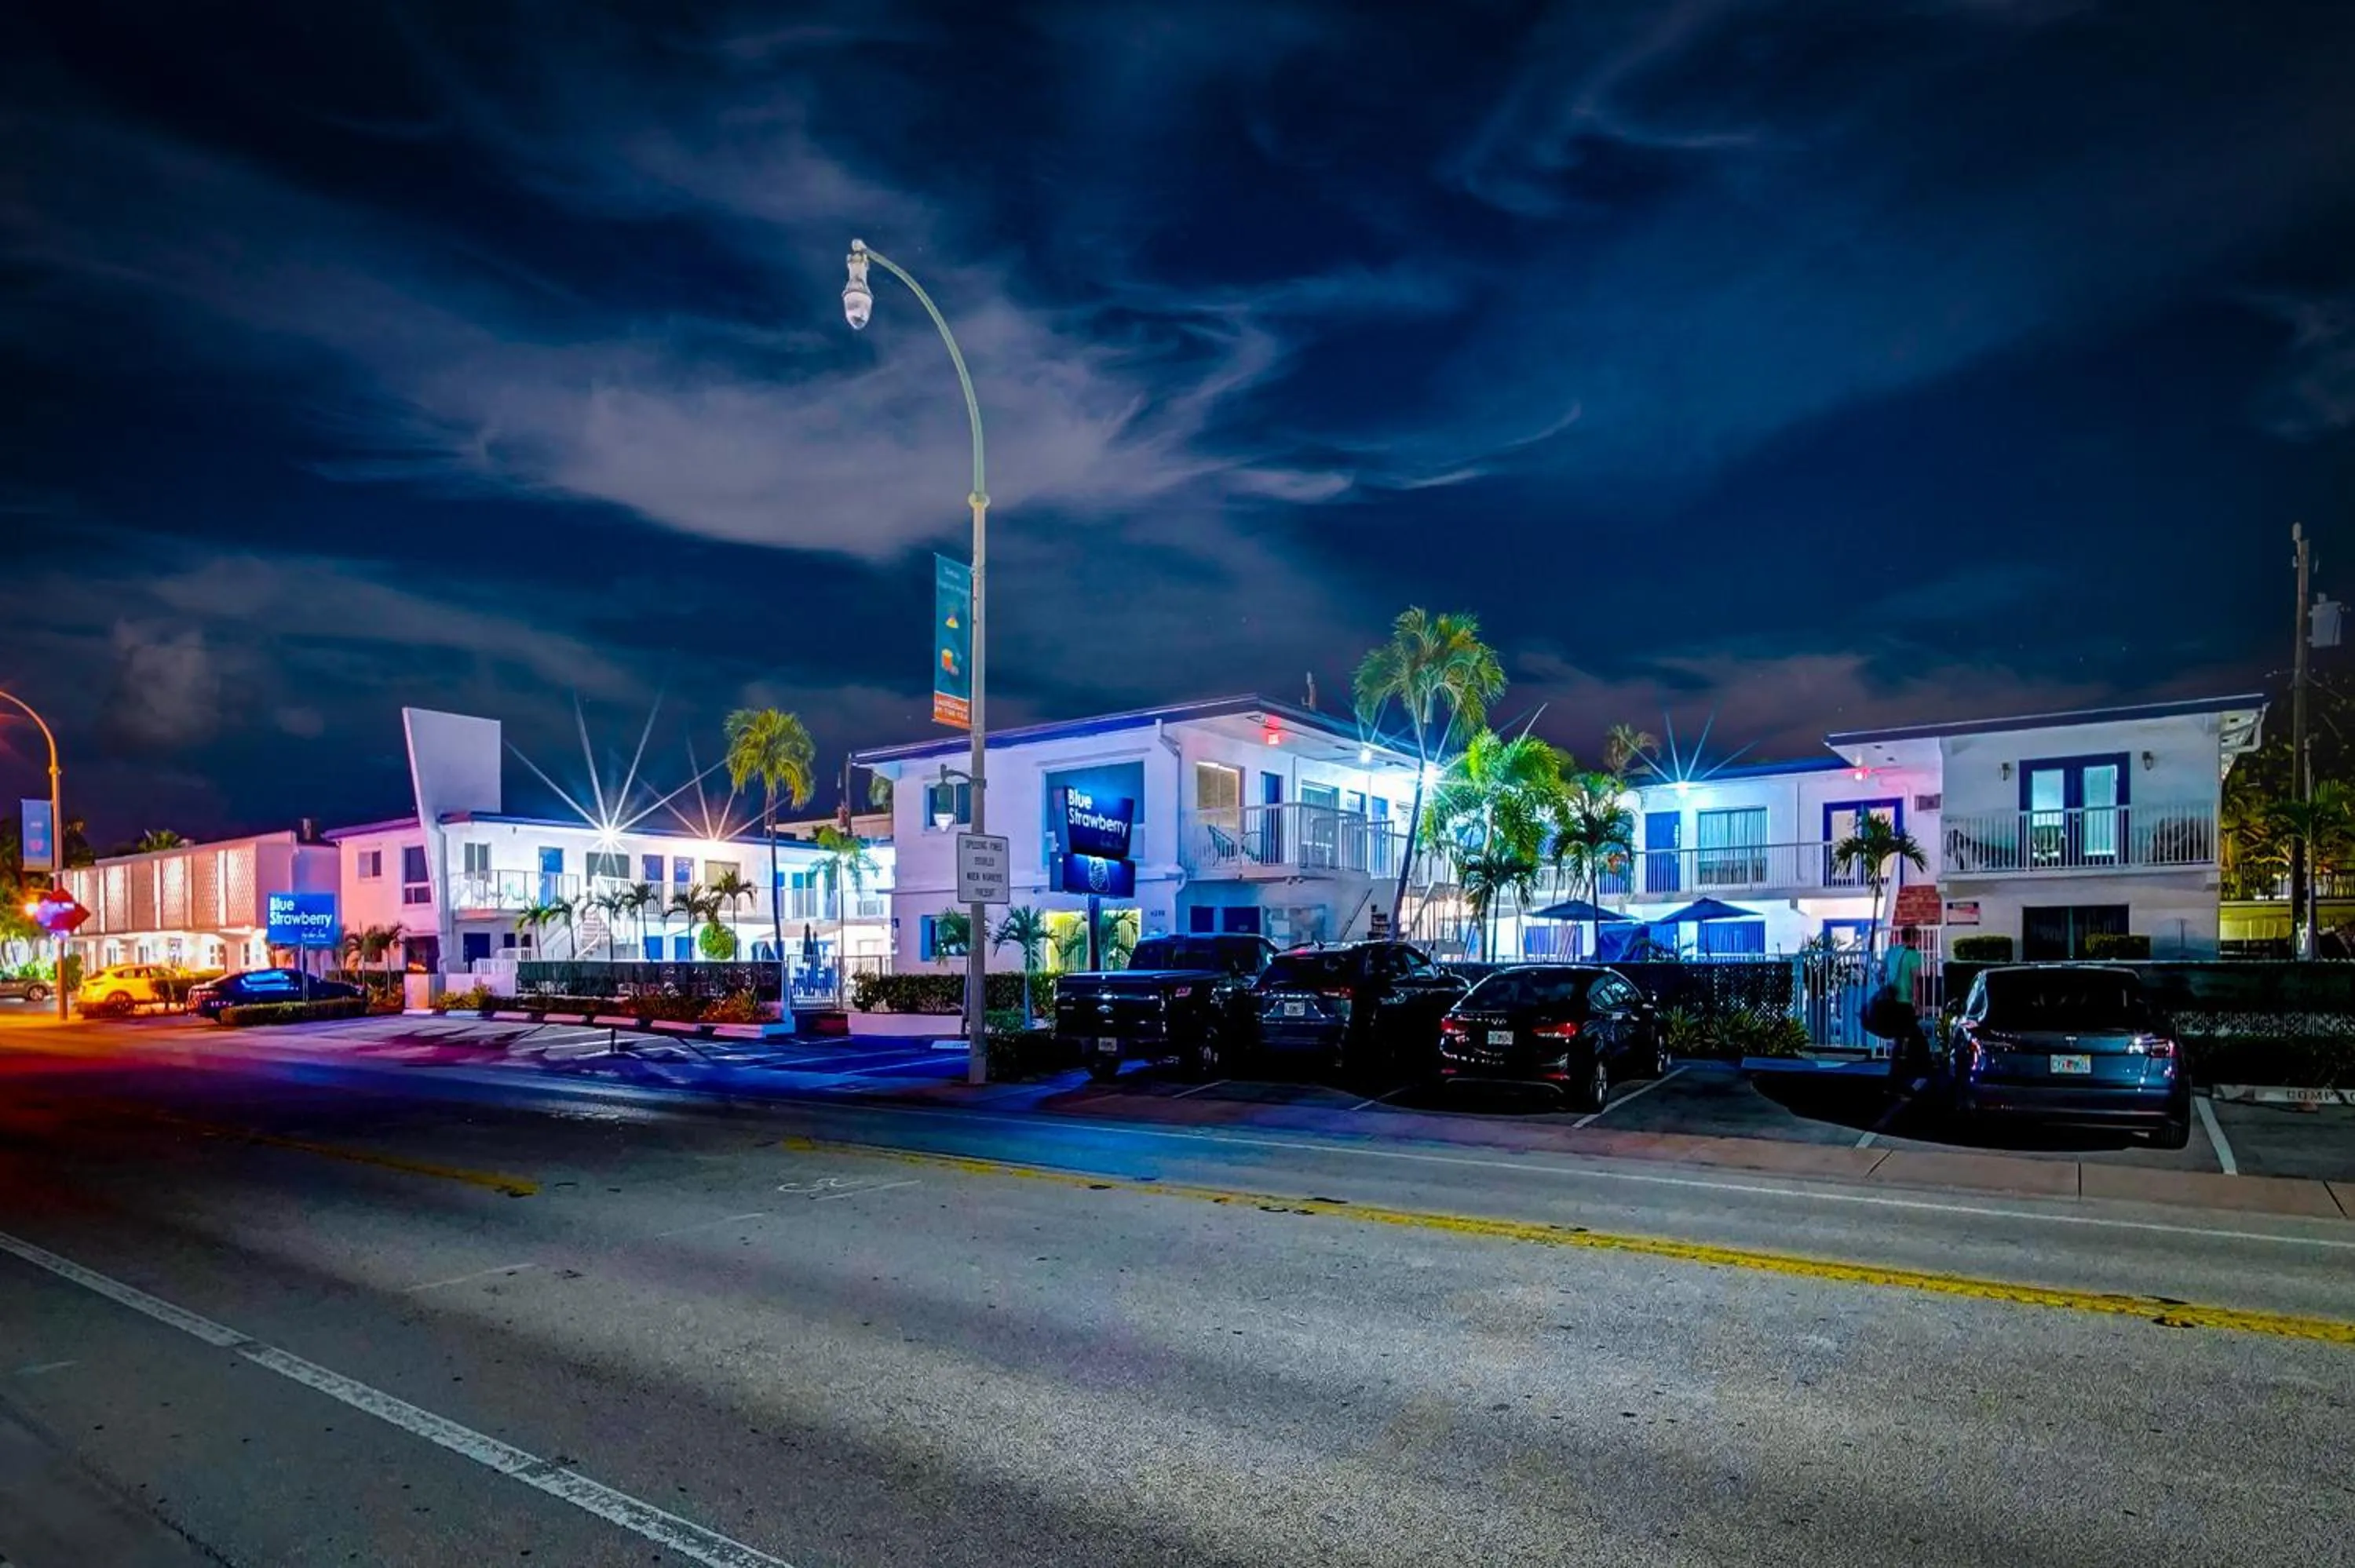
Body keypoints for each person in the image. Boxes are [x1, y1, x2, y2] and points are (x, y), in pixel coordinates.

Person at [1879, 925, 1929, 1080]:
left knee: (1902, 1037)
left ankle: (1900, 1073)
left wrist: (1884, 987)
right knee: (1906, 1037)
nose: (1920, 940)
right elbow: (1916, 982)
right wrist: (1918, 1004)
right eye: (1918, 937)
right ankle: (1899, 1075)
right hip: (1905, 1001)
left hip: (1892, 1000)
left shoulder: (1892, 952)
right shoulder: (1914, 955)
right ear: (1913, 938)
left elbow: (1880, 972)